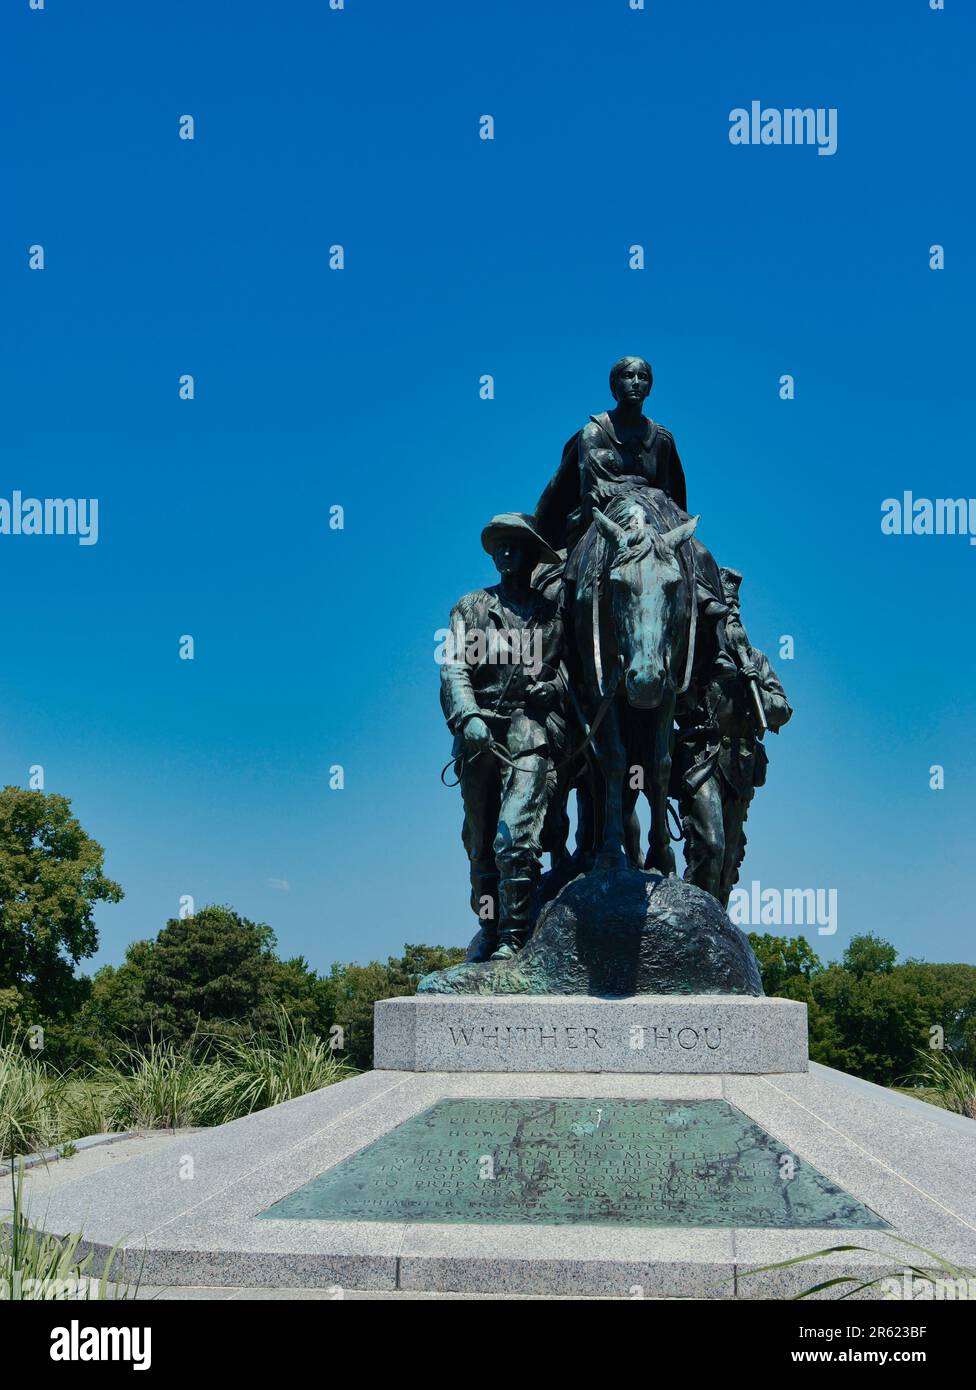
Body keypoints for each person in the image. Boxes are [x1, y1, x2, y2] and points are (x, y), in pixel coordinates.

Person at [440, 514, 568, 959]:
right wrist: (468, 716)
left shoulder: (553, 615)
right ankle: (490, 928)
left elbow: (574, 675)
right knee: (480, 844)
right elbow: (454, 666)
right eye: (500, 545)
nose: (507, 552)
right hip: (478, 734)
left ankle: (514, 938)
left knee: (513, 834)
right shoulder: (471, 608)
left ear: (532, 553)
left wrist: (553, 687)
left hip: (527, 729)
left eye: (516, 544)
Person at [674, 568, 793, 906]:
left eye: (737, 612)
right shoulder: (695, 657)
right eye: (726, 612)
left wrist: (751, 687)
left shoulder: (757, 660)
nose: (733, 619)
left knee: (728, 862)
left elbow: (783, 709)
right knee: (709, 846)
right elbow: (674, 705)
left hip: (740, 767)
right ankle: (695, 919)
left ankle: (715, 929)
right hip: (703, 761)